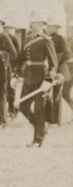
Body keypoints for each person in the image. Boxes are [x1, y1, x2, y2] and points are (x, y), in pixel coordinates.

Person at [17, 14, 59, 148]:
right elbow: (20, 58)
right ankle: (41, 128)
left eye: (38, 23)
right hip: (28, 77)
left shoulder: (46, 40)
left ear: (42, 25)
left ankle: (38, 139)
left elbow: (54, 63)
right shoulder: (27, 38)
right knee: (23, 106)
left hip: (41, 77)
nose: (34, 25)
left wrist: (48, 79)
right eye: (33, 23)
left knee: (39, 108)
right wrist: (15, 74)